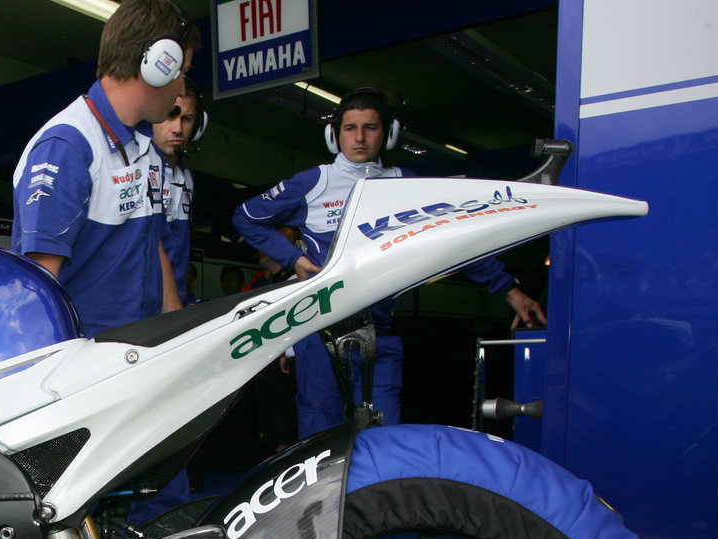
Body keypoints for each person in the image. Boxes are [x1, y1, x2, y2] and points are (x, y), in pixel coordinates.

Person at [233, 87, 545, 437]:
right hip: (320, 334)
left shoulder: (406, 186)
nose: (360, 137)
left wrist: (509, 290)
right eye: (350, 128)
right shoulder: (315, 182)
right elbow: (246, 218)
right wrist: (294, 258)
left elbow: (455, 240)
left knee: (383, 438)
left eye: (370, 127)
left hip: (380, 335)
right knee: (321, 440)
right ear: (334, 135)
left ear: (389, 133)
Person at [11, 0, 195, 335]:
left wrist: (175, 326)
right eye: (181, 73)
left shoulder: (145, 146)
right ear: (157, 65)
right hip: (87, 357)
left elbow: (154, 243)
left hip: (139, 349)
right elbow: (38, 286)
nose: (182, 87)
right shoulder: (68, 146)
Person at [155, 79, 204, 305]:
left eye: (187, 118)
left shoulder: (186, 177)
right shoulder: (135, 169)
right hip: (143, 308)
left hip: (177, 303)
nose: (178, 128)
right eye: (170, 115)